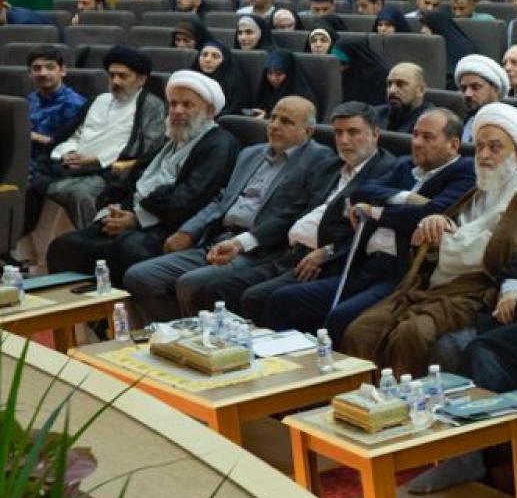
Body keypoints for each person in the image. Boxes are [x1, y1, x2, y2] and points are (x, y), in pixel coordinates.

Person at [342, 104, 517, 375]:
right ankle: (359, 399)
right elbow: (437, 237)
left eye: (495, 148)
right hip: (433, 286)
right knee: (361, 330)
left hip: (477, 291)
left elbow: (507, 253)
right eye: (479, 147)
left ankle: (404, 401)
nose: (484, 155)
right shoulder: (480, 188)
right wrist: (437, 223)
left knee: (412, 334)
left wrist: (448, 238)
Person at [247, 108, 474, 338]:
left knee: (340, 318)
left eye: (428, 137)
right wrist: (407, 198)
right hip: (364, 264)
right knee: (283, 299)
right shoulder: (405, 165)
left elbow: (430, 212)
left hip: (400, 273)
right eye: (415, 134)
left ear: (453, 144)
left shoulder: (464, 171)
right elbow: (362, 191)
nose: (416, 142)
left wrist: (375, 211)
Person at [121, 96, 334, 323]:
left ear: (308, 131)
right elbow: (222, 200)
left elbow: (293, 215)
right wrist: (189, 230)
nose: (274, 126)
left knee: (191, 284)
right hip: (217, 238)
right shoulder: (250, 153)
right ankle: (179, 330)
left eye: (286, 122)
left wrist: (241, 243)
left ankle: (200, 335)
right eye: (273, 118)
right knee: (140, 276)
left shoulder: (319, 159)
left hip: (261, 249)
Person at [48, 72, 241, 283]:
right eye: (173, 104)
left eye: (187, 105)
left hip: (171, 226)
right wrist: (116, 208)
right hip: (139, 214)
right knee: (64, 246)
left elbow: (189, 201)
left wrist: (137, 219)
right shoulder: (174, 139)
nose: (177, 111)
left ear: (209, 111)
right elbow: (136, 179)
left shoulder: (218, 144)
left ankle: (112, 305)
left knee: (125, 249)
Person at [229, 104, 398, 334]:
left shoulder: (387, 172)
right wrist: (242, 242)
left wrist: (328, 251)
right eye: (338, 133)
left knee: (257, 297)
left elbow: (372, 230)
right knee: (224, 287)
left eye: (353, 132)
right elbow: (292, 211)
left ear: (375, 134)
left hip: (330, 263)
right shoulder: (329, 166)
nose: (344, 140)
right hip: (291, 253)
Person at [19, 49, 88, 239]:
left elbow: (73, 145)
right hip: (25, 159)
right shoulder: (31, 99)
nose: (43, 73)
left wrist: (32, 136)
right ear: (30, 73)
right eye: (37, 68)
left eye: (50, 67)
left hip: (53, 165)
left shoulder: (75, 104)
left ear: (62, 70)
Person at [372, 63, 428, 135]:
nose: (392, 90)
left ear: (421, 90)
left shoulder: (431, 122)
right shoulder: (374, 114)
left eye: (400, 84)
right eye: (389, 84)